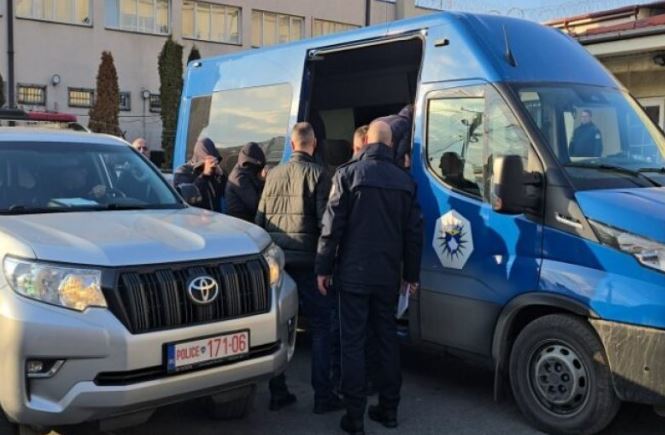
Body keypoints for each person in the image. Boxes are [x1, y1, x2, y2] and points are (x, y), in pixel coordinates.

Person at [316, 120, 423, 435]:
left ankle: (354, 416)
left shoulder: (348, 175)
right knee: (387, 339)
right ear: (390, 145)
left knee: (352, 342)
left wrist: (323, 268)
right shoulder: (405, 181)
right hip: (387, 276)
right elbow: (414, 234)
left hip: (353, 275)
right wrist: (411, 275)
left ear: (365, 144)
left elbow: (331, 228)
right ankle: (389, 410)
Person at [255, 122, 341, 414]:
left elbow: (260, 221)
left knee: (279, 328)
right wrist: (326, 266)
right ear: (313, 144)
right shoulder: (320, 175)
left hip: (279, 264)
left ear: (292, 145)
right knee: (321, 327)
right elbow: (326, 225)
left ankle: (278, 392)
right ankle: (323, 396)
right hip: (309, 263)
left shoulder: (273, 175)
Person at [174, 137, 226, 212]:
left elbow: (224, 193)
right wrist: (205, 175)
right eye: (207, 160)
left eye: (213, 160)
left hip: (214, 216)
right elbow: (187, 196)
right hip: (194, 216)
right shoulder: (183, 171)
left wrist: (221, 176)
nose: (209, 163)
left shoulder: (213, 172)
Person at [225, 142, 266, 222]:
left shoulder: (247, 171)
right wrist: (263, 181)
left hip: (246, 219)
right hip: (239, 221)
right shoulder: (238, 178)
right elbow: (255, 204)